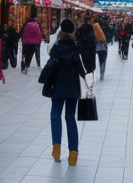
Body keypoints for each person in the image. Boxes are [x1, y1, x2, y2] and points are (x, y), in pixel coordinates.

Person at [46, 19, 86, 166]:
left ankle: (56, 148)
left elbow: (51, 66)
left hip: (57, 86)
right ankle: (73, 154)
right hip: (72, 87)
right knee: (70, 117)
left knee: (55, 114)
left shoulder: (56, 48)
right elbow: (81, 68)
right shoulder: (75, 48)